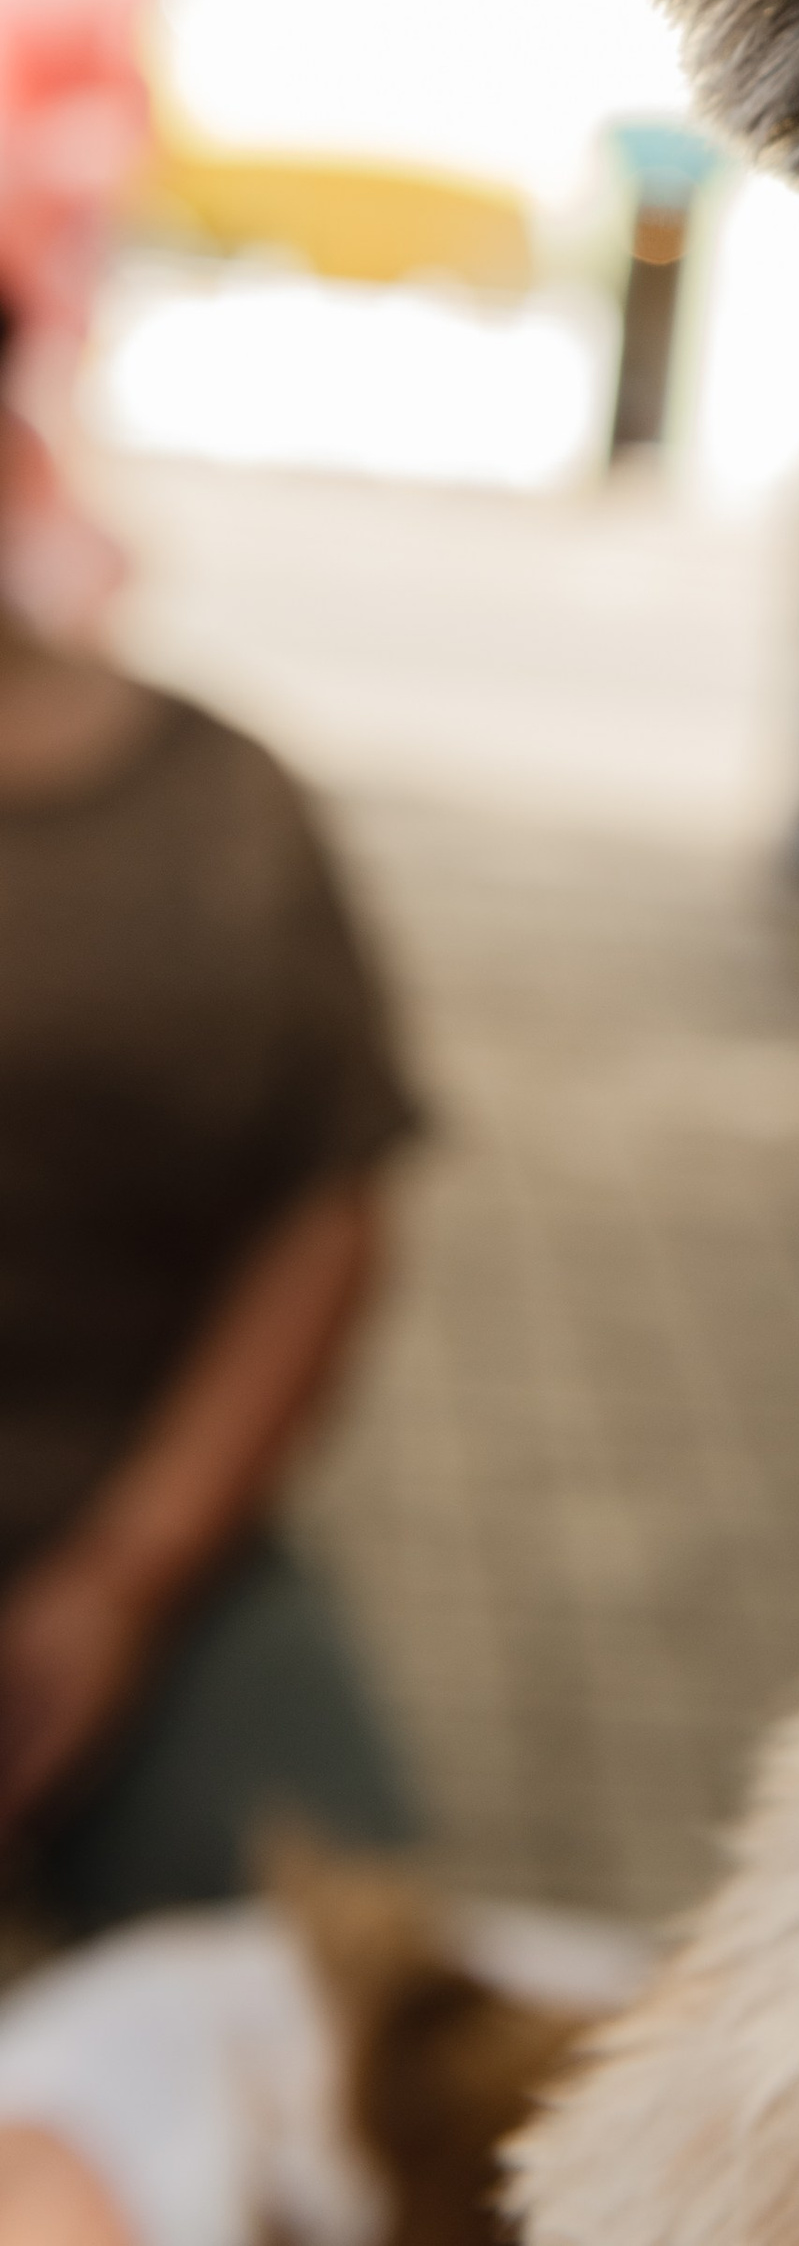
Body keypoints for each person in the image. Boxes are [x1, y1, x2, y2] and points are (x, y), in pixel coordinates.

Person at [0, 293, 422, 1934]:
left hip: (137, 1531)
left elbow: (324, 1207)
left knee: (340, 1987)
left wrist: (127, 1575)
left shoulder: (218, 805)